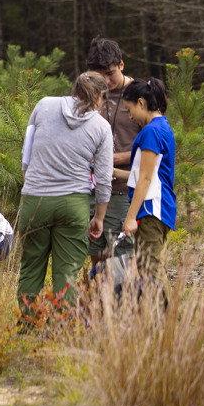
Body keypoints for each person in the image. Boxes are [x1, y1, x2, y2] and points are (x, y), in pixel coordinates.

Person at [18, 71, 113, 311]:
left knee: (31, 267)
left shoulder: (44, 105)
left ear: (74, 89)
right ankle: (62, 329)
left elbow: (26, 155)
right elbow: (103, 180)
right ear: (100, 96)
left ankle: (27, 325)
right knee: (67, 271)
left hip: (35, 201)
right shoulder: (102, 127)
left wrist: (33, 186)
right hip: (74, 204)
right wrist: (99, 217)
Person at [112, 78, 176, 280]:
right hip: (156, 208)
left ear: (141, 103)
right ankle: (161, 311)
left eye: (129, 109)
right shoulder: (161, 126)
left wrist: (130, 217)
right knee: (149, 268)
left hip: (150, 209)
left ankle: (166, 312)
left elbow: (146, 179)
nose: (130, 116)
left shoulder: (151, 132)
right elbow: (143, 174)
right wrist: (112, 172)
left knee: (151, 271)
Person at [85, 37, 141, 264]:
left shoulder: (141, 94)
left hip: (124, 190)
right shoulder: (88, 94)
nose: (106, 81)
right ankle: (100, 300)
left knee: (122, 260)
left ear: (121, 65)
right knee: (96, 258)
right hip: (90, 190)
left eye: (110, 74)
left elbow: (156, 150)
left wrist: (115, 159)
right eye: (99, 76)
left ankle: (127, 299)